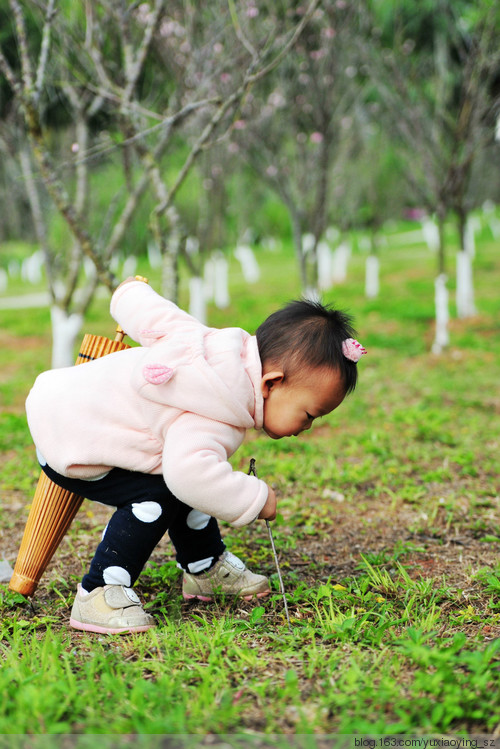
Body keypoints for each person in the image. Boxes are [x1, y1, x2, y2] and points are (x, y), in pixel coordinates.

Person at [25, 278, 366, 634]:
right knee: (158, 495)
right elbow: (189, 476)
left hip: (62, 405)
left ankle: (203, 565)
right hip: (76, 443)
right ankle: (99, 590)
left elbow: (156, 316)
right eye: (309, 415)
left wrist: (129, 294)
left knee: (194, 474)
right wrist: (255, 497)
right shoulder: (215, 409)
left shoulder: (207, 345)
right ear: (271, 383)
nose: (307, 427)